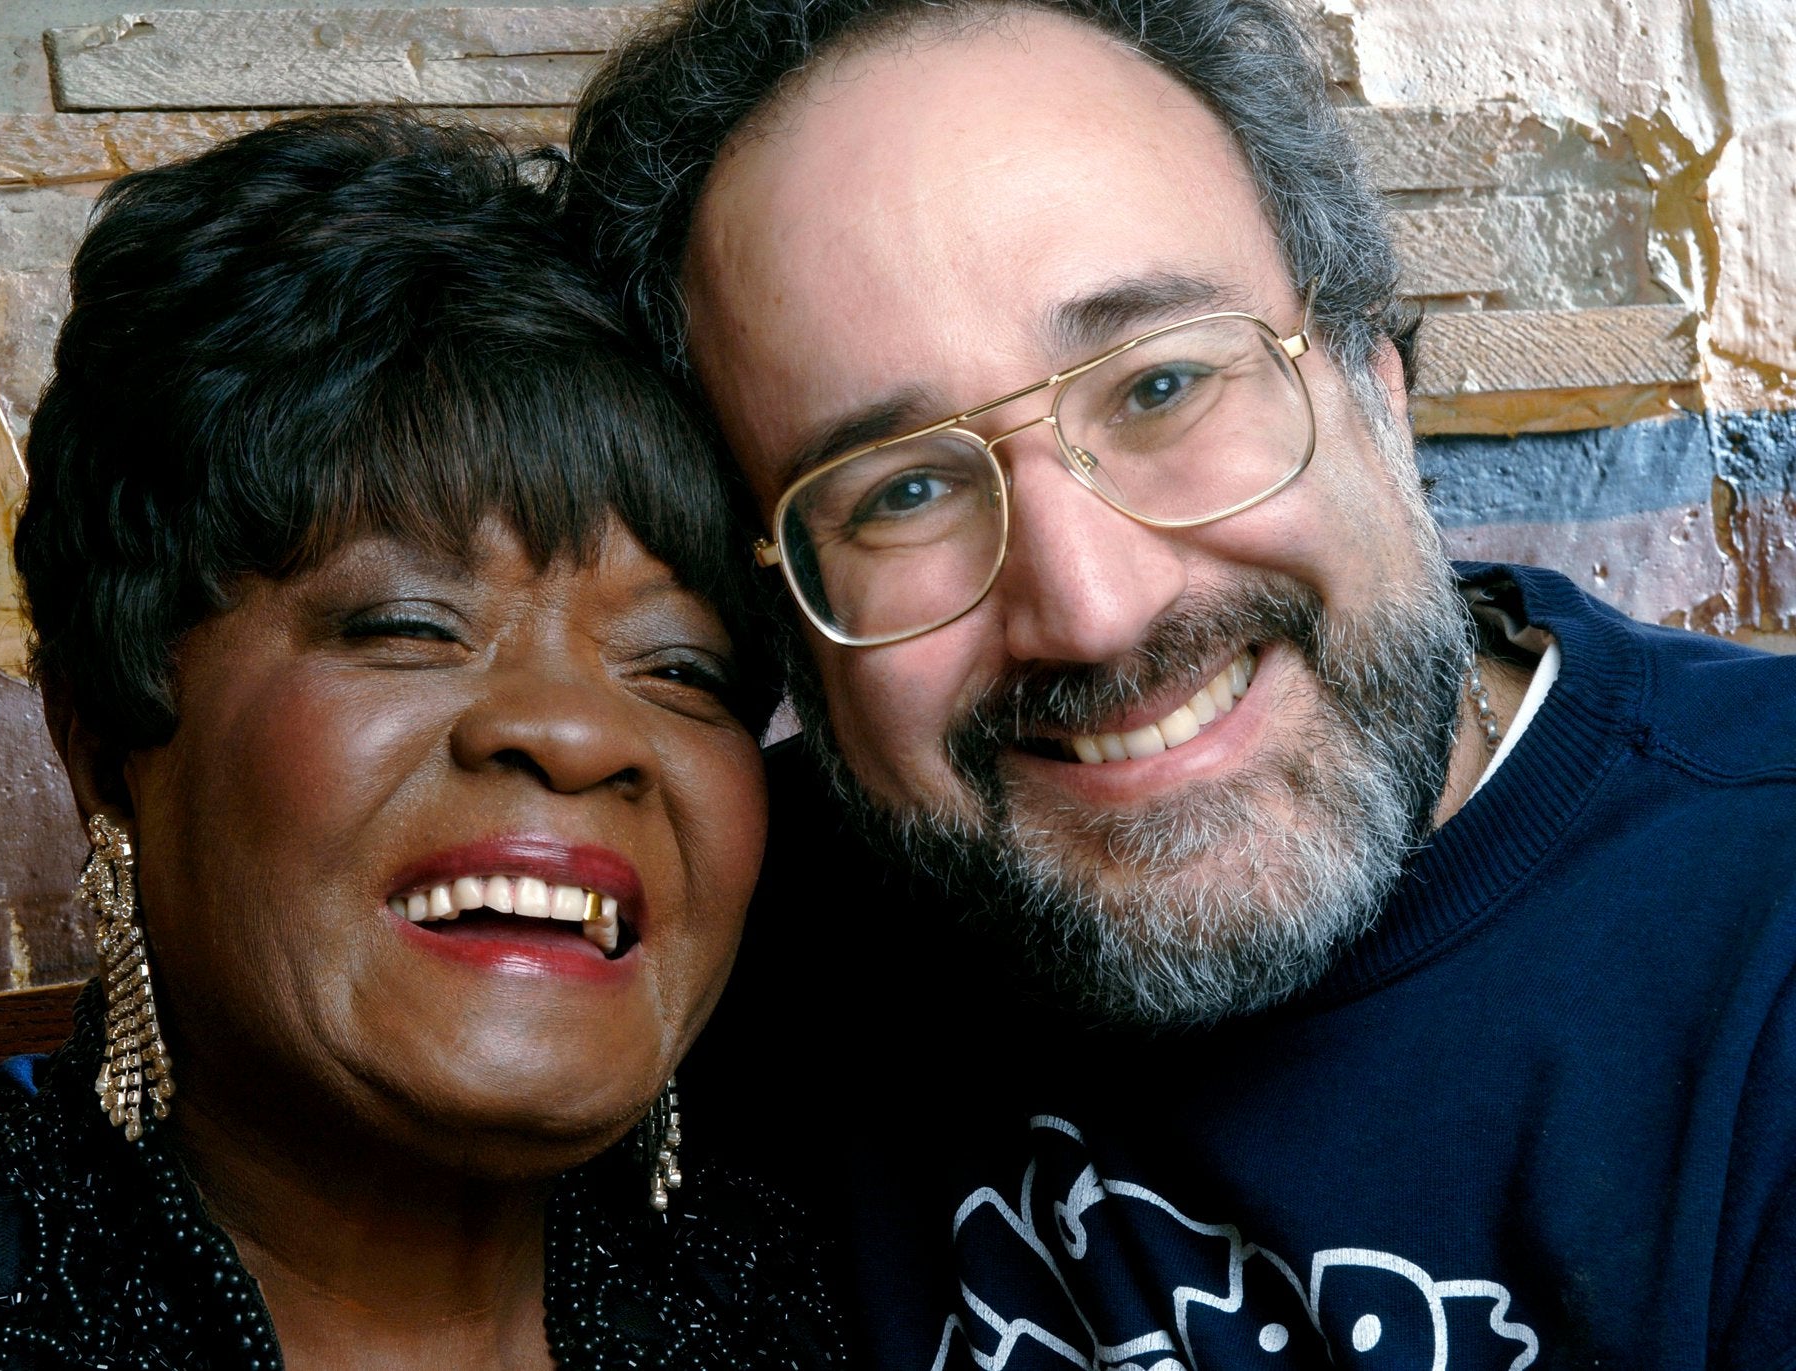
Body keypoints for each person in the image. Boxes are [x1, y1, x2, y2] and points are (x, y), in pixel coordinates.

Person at [566, 0, 1796, 1364]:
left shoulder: (1765, 923)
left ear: (1370, 380)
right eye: (903, 488)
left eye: (1159, 387)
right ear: (778, 604)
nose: (1092, 608)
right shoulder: (698, 932)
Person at [0, 112, 849, 1370]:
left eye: (681, 667)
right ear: (106, 742)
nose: (576, 730)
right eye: (409, 624)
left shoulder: (819, 1304)